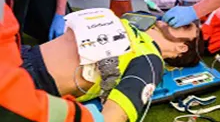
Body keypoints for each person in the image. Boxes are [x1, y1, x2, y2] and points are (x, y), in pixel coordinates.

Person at [0, 0, 102, 122]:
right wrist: (80, 117)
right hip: (21, 75)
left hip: (22, 60)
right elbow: (10, 103)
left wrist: (59, 13)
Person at [21, 8, 202, 122]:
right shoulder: (132, 24)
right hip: (20, 53)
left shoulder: (149, 61)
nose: (175, 19)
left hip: (32, 81)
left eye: (186, 27)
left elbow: (115, 115)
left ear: (181, 47)